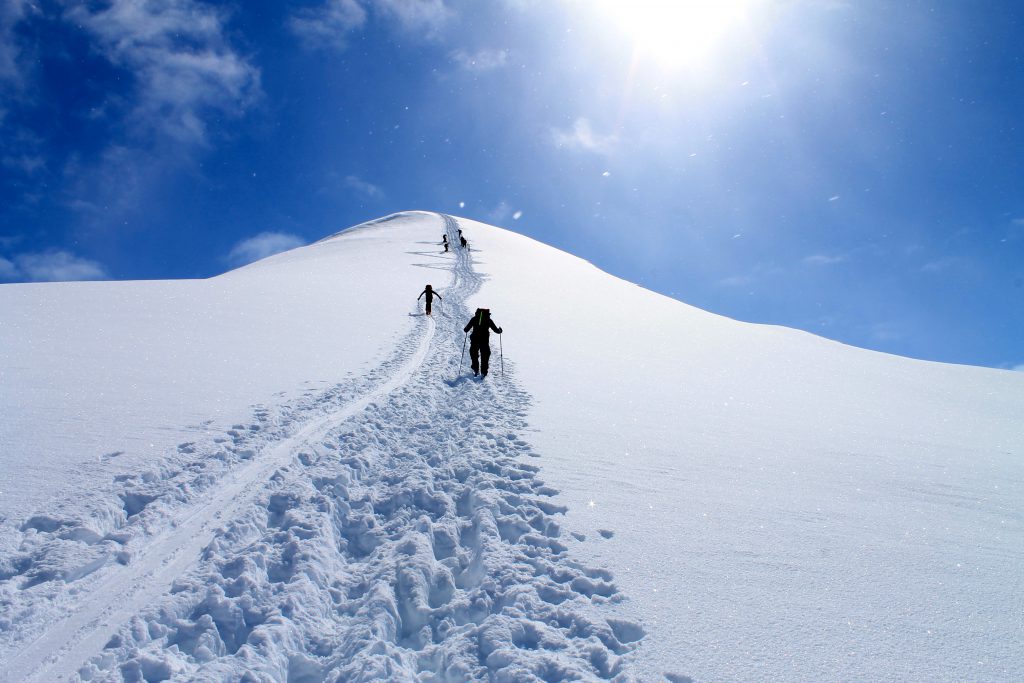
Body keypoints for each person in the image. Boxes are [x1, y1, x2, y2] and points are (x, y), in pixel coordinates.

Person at [464, 308, 502, 377]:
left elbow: (466, 329)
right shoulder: (488, 320)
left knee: (474, 354)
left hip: (475, 339)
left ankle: (476, 369)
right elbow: (496, 330)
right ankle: (484, 372)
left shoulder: (474, 318)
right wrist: (500, 330)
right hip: (484, 340)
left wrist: (466, 329)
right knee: (485, 355)